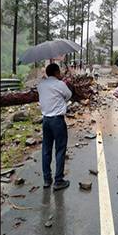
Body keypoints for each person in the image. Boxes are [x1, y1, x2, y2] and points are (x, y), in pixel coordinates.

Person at [37, 63, 72, 191]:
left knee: (46, 149)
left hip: (45, 120)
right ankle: (58, 180)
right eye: (59, 72)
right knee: (60, 149)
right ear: (57, 73)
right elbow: (69, 95)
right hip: (57, 121)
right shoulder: (60, 84)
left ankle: (47, 180)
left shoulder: (41, 85)